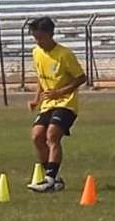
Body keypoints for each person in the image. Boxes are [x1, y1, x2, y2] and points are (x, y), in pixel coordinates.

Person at [27, 16, 88, 193]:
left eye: (41, 38)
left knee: (52, 135)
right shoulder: (36, 52)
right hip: (48, 103)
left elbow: (81, 78)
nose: (38, 42)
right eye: (35, 38)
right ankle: (54, 178)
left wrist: (60, 92)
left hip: (66, 103)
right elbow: (41, 77)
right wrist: (36, 98)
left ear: (51, 34)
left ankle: (49, 179)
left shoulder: (64, 54)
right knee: (37, 136)